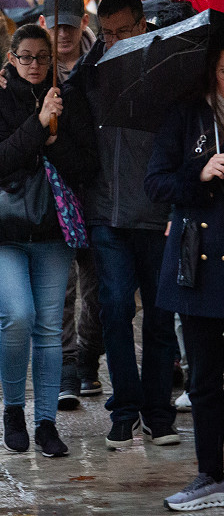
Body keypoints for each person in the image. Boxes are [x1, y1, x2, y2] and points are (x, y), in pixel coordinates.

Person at [0, 23, 96, 458]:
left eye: (43, 57)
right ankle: (13, 410)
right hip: (2, 229)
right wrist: (39, 124)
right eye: (25, 57)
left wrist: (56, 137)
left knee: (48, 327)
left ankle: (46, 423)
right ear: (11, 57)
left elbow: (86, 166)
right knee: (18, 316)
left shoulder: (68, 98)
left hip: (51, 230)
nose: (35, 65)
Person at [71, 0, 178, 449]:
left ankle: (158, 412)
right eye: (107, 32)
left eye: (122, 31)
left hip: (155, 212)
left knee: (159, 315)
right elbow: (63, 99)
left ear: (142, 26)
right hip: (106, 211)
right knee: (114, 309)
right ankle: (125, 409)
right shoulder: (90, 73)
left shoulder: (166, 70)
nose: (113, 41)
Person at [145, 43, 224, 511]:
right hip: (201, 265)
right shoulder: (188, 116)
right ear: (213, 69)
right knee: (206, 378)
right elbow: (156, 183)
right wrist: (201, 172)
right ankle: (211, 474)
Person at [37, 0, 104, 407]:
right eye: (55, 26)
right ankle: (67, 367)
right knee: (60, 290)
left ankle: (88, 358)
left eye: (70, 26)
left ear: (83, 24)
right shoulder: (30, 68)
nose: (63, 34)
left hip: (95, 191)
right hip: (50, 199)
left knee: (100, 292)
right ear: (43, 23)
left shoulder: (102, 63)